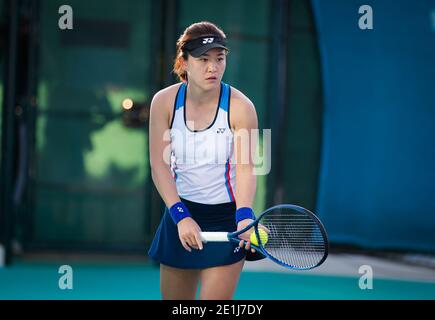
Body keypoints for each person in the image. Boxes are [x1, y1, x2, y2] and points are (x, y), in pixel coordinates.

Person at [148, 21, 263, 300]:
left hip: (227, 219)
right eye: (203, 60)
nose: (213, 68)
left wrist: (244, 216)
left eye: (219, 59)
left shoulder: (242, 107)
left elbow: (247, 169)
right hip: (180, 214)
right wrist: (181, 216)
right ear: (184, 62)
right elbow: (159, 165)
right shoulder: (163, 102)